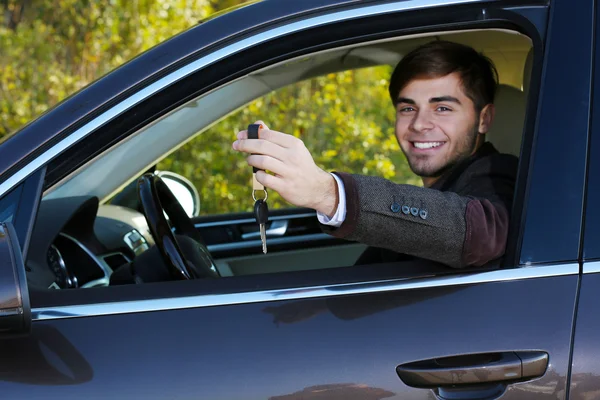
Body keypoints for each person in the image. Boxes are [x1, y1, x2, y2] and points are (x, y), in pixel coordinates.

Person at [232, 40, 519, 268]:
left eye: (442, 108)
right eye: (407, 108)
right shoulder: (447, 187)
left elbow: (480, 234)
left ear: (484, 119)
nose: (419, 124)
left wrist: (328, 193)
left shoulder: (502, 177)